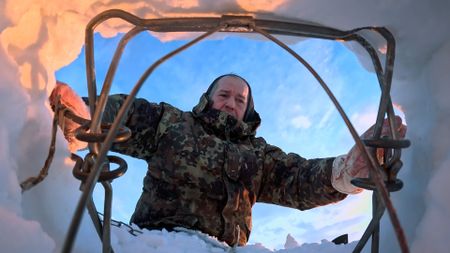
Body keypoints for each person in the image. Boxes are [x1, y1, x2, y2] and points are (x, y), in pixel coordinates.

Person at [49, 74, 406, 246]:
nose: (232, 102)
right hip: (155, 243)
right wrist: (82, 116)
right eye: (225, 94)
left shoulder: (258, 153)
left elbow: (299, 178)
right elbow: (126, 115)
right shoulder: (171, 123)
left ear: (247, 110)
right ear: (209, 98)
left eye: (241, 100)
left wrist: (346, 171)